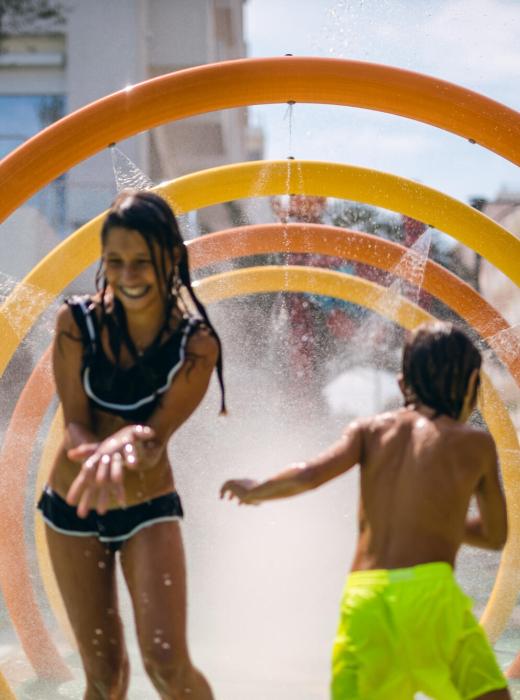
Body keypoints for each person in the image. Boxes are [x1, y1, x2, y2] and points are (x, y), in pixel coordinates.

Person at [221, 321, 510, 700]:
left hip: (365, 601)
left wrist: (259, 489)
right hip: (430, 600)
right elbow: (494, 536)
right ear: (473, 387)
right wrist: (439, 522)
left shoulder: (369, 431)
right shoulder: (474, 445)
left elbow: (308, 474)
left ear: (401, 384)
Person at [38, 189, 224, 700]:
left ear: (171, 259)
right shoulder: (76, 323)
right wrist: (94, 451)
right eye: (115, 261)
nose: (128, 275)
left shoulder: (197, 346)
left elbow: (156, 436)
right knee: (105, 676)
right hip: (71, 504)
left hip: (147, 504)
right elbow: (75, 422)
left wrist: (129, 439)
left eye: (142, 261)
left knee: (166, 664)